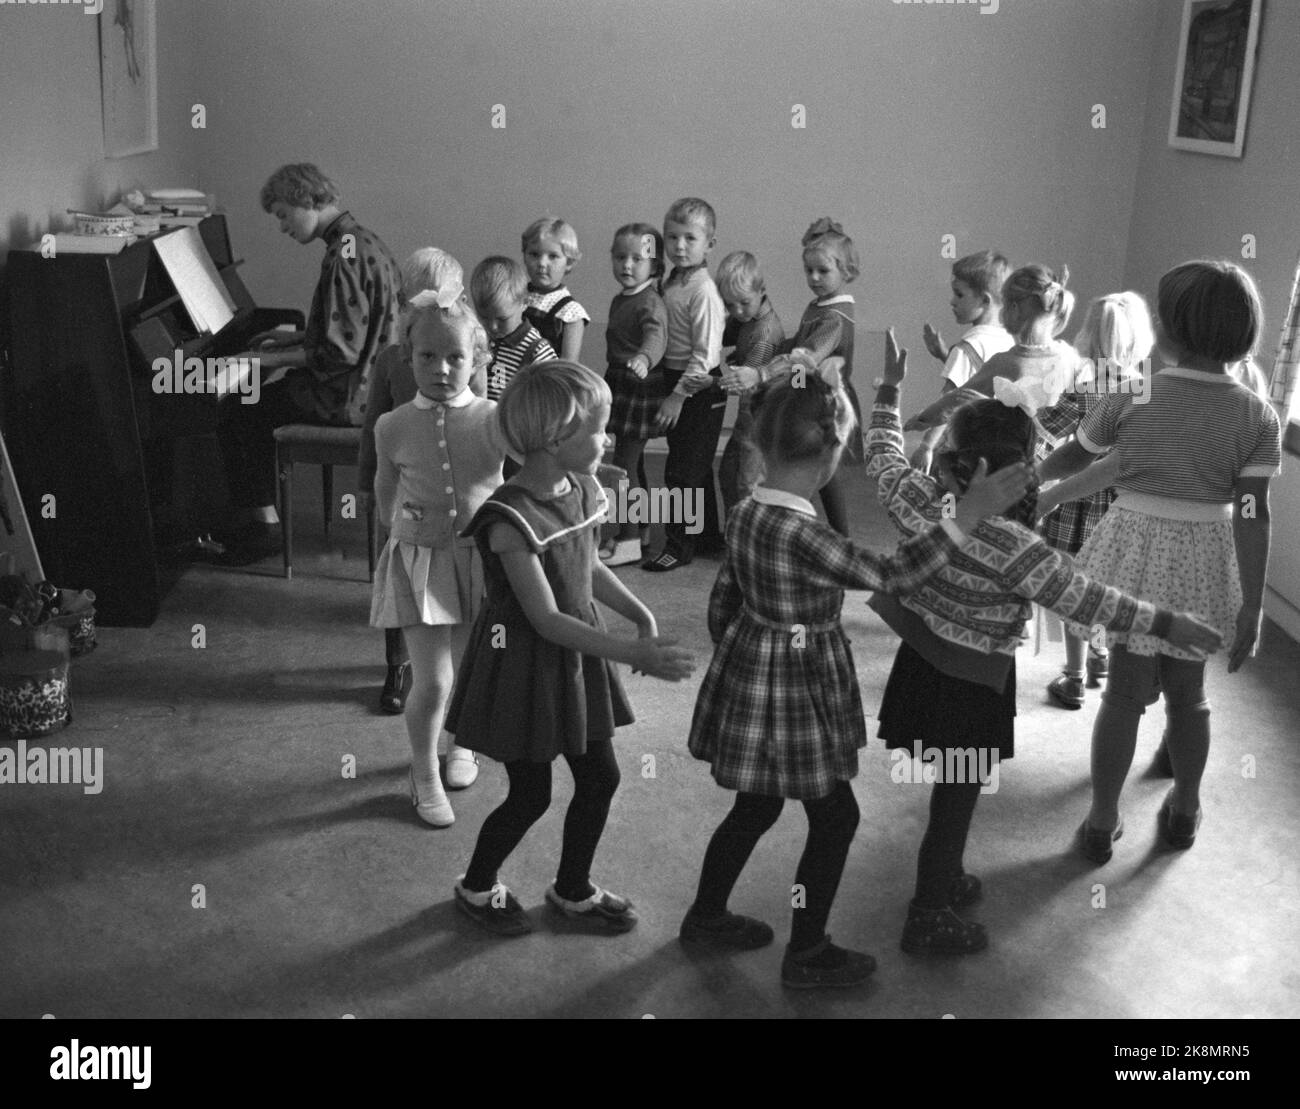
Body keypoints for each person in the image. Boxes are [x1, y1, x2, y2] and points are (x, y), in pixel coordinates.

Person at [681, 356, 1033, 989]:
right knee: (836, 819)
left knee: (753, 809)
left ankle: (705, 915)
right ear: (832, 453)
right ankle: (808, 950)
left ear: (763, 440)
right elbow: (894, 574)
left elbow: (723, 603)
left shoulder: (742, 513)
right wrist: (965, 516)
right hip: (795, 692)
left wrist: (741, 659)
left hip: (754, 677)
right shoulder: (805, 533)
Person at [866, 330, 1222, 953]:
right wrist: (1167, 624)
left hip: (918, 669)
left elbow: (883, 458)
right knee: (956, 800)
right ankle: (929, 909)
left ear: (952, 463)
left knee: (950, 791)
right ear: (1019, 477)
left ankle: (943, 876)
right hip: (972, 688)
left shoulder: (919, 500)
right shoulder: (1020, 549)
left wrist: (890, 391)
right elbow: (1091, 600)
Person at [1038, 260, 1280, 862]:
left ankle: (1101, 819)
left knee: (1122, 695)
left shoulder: (1132, 392)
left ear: (1168, 328)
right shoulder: (1257, 414)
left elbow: (1085, 457)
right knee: (1188, 697)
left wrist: (1033, 487)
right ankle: (1186, 807)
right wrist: (1251, 604)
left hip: (1134, 553)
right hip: (1204, 559)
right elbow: (1252, 514)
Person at [446, 361, 694, 935]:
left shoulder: (582, 488)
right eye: (599, 429)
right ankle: (477, 887)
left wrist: (641, 613)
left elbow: (584, 570)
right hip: (524, 666)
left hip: (575, 659)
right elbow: (548, 618)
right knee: (531, 794)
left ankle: (573, 888)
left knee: (600, 777)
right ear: (557, 440)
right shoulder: (509, 518)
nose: (608, 440)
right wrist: (632, 654)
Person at [218, 163, 402, 564]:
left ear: (307, 201)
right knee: (258, 398)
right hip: (371, 387)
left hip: (349, 398)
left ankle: (262, 527)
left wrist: (268, 358)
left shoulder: (342, 256)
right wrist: (295, 338)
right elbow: (356, 329)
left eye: (283, 215)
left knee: (239, 409)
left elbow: (341, 354)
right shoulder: (364, 241)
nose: (282, 227)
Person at [369, 293, 504, 822]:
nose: (442, 369)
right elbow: (385, 493)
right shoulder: (393, 425)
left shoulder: (496, 419)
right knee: (434, 680)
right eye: (427, 356)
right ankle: (424, 769)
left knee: (471, 669)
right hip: (421, 562)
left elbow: (526, 477)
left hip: (481, 559)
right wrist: (408, 532)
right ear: (409, 355)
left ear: (478, 358)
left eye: (456, 357)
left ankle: (461, 744)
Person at [359, 247, 466, 716]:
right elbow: (373, 425)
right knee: (399, 575)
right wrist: (368, 485)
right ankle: (397, 664)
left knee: (452, 580)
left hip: (450, 487)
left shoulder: (464, 355)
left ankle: (443, 667)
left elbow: (479, 416)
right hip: (402, 484)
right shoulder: (391, 360)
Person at [1035, 292, 1154, 710]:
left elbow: (1046, 428)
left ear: (1089, 335)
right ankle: (1101, 654)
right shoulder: (1144, 393)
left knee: (1072, 589)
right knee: (1104, 588)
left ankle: (1073, 676)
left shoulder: (1083, 391)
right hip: (1122, 507)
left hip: (1074, 503)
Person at [722, 218, 861, 536]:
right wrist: (766, 350)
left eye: (823, 271)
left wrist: (760, 373)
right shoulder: (820, 306)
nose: (813, 278)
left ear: (847, 272)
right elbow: (796, 343)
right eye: (808, 271)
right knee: (820, 473)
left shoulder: (834, 318)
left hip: (827, 400)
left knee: (811, 470)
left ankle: (813, 534)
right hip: (810, 392)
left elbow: (804, 356)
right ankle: (834, 535)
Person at [641, 198, 728, 570]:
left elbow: (705, 356)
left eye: (689, 238)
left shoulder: (704, 291)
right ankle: (708, 537)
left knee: (681, 471)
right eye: (672, 237)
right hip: (676, 377)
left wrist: (677, 397)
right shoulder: (674, 279)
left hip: (698, 386)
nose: (679, 246)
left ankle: (678, 546)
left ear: (709, 243)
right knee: (696, 467)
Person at [904, 264, 1077, 437]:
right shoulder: (1070, 356)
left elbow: (958, 398)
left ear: (1014, 310)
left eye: (1005, 305)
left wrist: (923, 419)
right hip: (1060, 461)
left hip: (1018, 460)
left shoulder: (1007, 362)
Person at [600, 223, 669, 567]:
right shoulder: (620, 299)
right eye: (620, 257)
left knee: (623, 466)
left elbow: (656, 335)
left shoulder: (650, 301)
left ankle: (627, 539)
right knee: (633, 462)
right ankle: (639, 528)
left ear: (654, 266)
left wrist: (644, 357)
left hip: (639, 382)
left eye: (637, 259)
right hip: (620, 379)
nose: (627, 265)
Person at [911, 250, 1014, 472]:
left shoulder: (967, 348)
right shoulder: (1007, 339)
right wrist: (943, 355)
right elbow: (979, 378)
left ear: (984, 300)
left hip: (967, 447)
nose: (952, 301)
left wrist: (926, 446)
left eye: (959, 295)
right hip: (1000, 446)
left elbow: (948, 401)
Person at [714, 251, 784, 517]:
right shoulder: (745, 318)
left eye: (743, 303)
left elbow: (745, 381)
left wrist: (706, 382)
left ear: (761, 291)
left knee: (748, 483)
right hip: (749, 414)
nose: (737, 312)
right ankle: (737, 531)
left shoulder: (765, 333)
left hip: (761, 415)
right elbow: (723, 335)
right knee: (728, 472)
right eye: (729, 305)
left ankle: (751, 539)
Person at [470, 256, 557, 403]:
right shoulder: (474, 337)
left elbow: (552, 398)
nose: (492, 327)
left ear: (525, 303)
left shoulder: (536, 350)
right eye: (484, 317)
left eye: (502, 319)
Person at [521, 218, 589, 361]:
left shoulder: (571, 313)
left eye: (553, 256)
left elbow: (567, 365)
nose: (541, 263)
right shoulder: (514, 295)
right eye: (534, 254)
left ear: (569, 262)